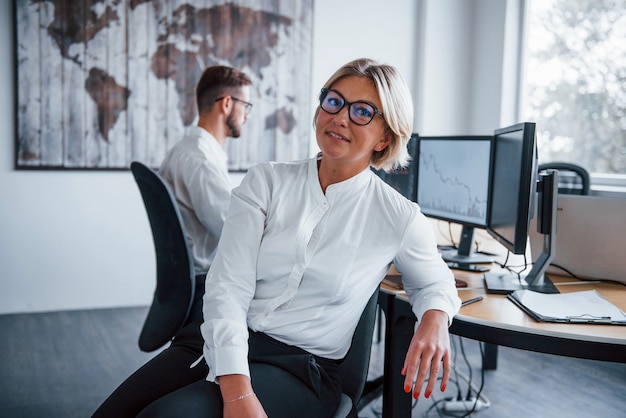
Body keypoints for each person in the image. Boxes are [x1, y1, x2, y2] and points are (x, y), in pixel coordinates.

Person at [122, 57, 460, 418]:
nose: (340, 117)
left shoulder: (399, 217)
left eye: (362, 111)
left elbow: (436, 282)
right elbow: (227, 286)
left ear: (385, 137)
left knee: (164, 416)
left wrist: (435, 317)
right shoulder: (266, 181)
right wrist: (237, 390)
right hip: (220, 336)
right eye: (333, 100)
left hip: (299, 367)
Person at [92, 65, 253, 417]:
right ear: (226, 104)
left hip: (193, 284)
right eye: (246, 106)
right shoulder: (197, 159)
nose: (247, 115)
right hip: (205, 291)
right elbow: (234, 231)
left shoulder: (195, 150)